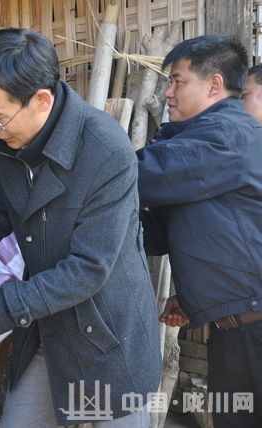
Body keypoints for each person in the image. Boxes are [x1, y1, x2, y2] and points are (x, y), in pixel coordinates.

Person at [0, 28, 161, 427]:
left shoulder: (106, 152)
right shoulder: (14, 143)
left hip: (106, 333)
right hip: (44, 327)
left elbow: (88, 269)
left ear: (42, 100)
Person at [137, 35, 262, 428]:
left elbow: (140, 175)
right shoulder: (198, 141)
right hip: (233, 329)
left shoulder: (227, 135)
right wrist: (196, 294)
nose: (168, 93)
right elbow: (162, 234)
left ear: (214, 85)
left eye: (178, 81)